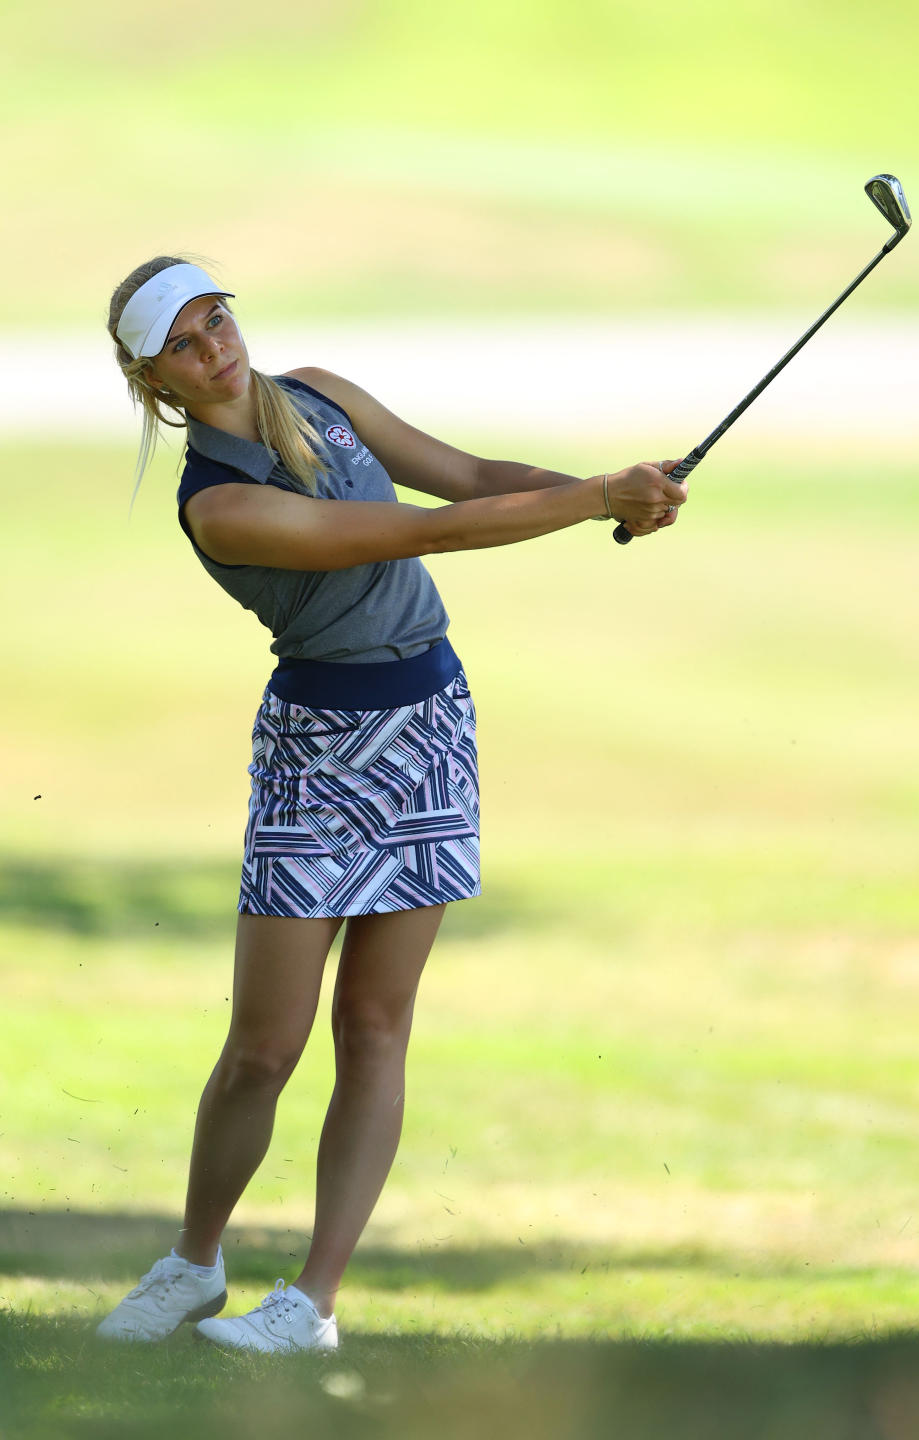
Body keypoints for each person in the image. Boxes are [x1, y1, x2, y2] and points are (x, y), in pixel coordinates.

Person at [94, 257, 687, 1354]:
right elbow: (423, 531)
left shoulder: (322, 391)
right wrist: (593, 500)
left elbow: (463, 475)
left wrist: (615, 491)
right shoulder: (219, 506)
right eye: (183, 342)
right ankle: (193, 1261)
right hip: (317, 751)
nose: (215, 346)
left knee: (374, 1025)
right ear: (156, 381)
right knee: (265, 1045)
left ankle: (310, 1305)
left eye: (217, 318)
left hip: (428, 728)